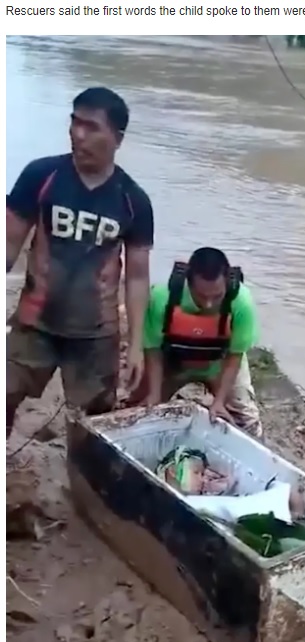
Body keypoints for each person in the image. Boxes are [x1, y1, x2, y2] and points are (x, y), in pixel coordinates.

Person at [6, 86, 154, 439]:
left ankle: (83, 479)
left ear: (117, 138)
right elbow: (9, 242)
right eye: (74, 123)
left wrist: (136, 345)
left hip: (95, 337)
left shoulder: (133, 201)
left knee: (93, 424)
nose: (78, 134)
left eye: (91, 127)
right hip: (34, 324)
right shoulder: (41, 177)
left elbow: (136, 278)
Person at [138, 246, 263, 438]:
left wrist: (220, 401)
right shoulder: (162, 298)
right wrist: (154, 394)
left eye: (217, 296)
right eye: (202, 296)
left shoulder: (241, 302)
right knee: (140, 410)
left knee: (247, 420)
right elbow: (153, 350)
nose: (209, 304)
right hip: (173, 363)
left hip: (220, 365)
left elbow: (235, 356)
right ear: (189, 283)